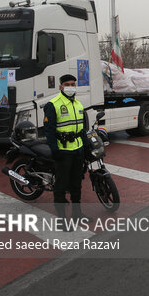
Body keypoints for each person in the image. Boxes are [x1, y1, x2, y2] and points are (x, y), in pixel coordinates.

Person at [44, 74, 92, 222]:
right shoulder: (53, 104)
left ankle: (77, 214)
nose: (70, 87)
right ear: (61, 86)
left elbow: (82, 129)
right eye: (67, 84)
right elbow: (49, 130)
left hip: (78, 150)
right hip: (63, 152)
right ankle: (62, 220)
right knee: (61, 186)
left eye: (73, 84)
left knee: (76, 185)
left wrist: (86, 146)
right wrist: (54, 149)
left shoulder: (78, 104)